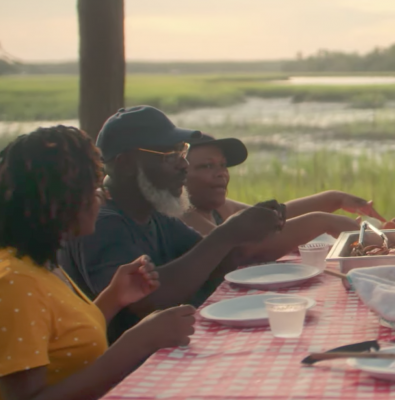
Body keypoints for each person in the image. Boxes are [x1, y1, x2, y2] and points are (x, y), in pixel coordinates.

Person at [0, 126, 196, 400]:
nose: (101, 197)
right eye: (91, 189)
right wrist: (137, 342)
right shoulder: (12, 282)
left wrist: (111, 299)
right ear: (55, 198)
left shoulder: (34, 260)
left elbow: (59, 343)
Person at [58, 106, 284, 343]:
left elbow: (211, 263)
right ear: (125, 164)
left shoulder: (153, 212)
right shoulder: (101, 225)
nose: (183, 165)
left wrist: (245, 231)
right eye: (169, 155)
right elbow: (144, 302)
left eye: (182, 151)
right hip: (127, 370)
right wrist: (227, 235)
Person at [182, 132, 385, 261]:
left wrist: (334, 199)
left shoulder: (218, 208)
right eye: (207, 166)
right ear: (178, 172)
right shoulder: (184, 217)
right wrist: (324, 222)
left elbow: (270, 218)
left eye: (223, 165)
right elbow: (243, 251)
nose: (221, 173)